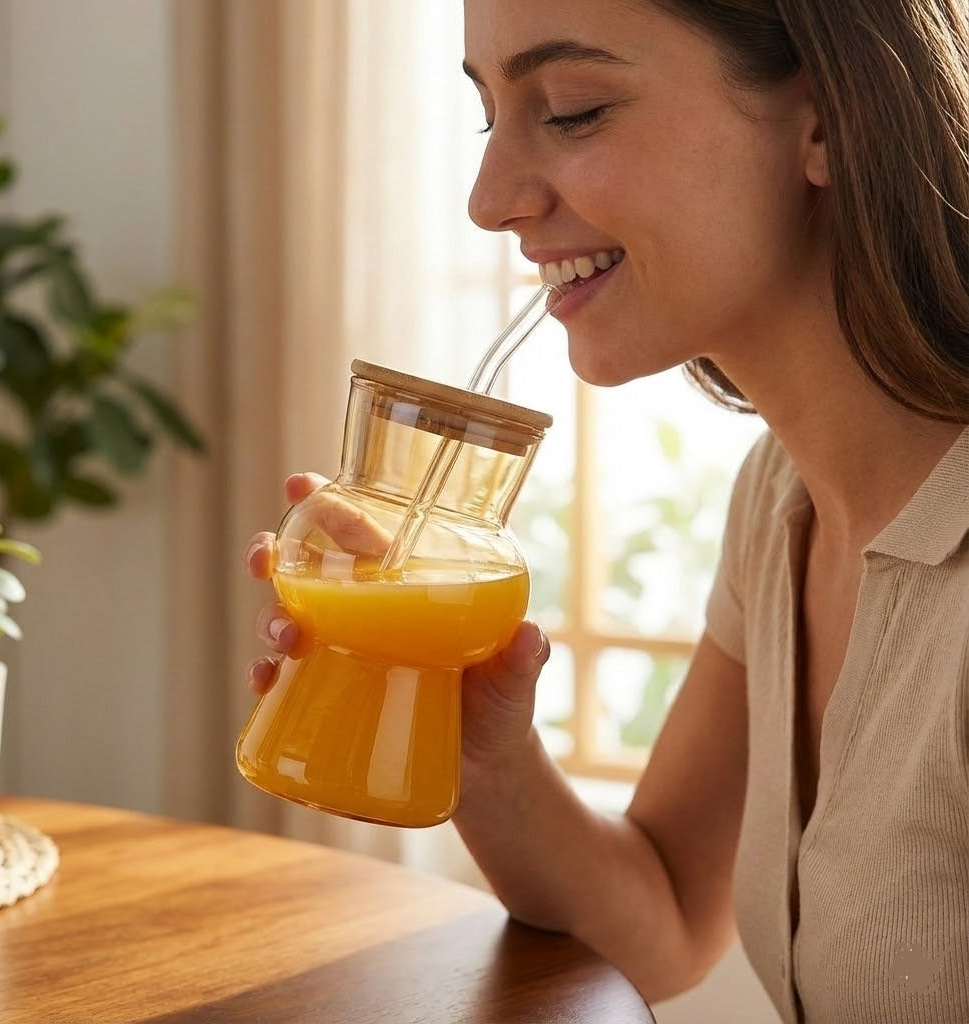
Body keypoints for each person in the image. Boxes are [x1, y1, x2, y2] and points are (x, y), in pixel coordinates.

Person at [243, 2, 969, 1020]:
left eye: (574, 110)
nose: (489, 200)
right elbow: (667, 918)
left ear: (826, 122)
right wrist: (476, 746)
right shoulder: (782, 501)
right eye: (488, 116)